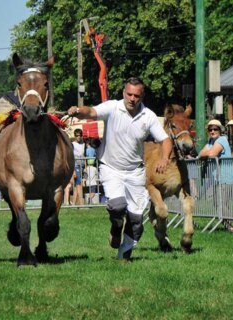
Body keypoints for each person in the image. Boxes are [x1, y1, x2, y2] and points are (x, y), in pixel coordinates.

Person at [67, 77, 172, 260]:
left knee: (136, 222)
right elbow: (91, 112)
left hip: (135, 172)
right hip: (111, 168)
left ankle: (123, 257)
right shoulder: (113, 107)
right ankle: (116, 229)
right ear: (124, 93)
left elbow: (165, 140)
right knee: (117, 206)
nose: (132, 98)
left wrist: (164, 157)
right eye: (129, 94)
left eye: (136, 95)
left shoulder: (148, 116)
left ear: (142, 96)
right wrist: (77, 110)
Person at [199, 119, 233, 232]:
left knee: (222, 203)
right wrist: (205, 153)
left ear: (220, 130)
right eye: (210, 129)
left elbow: (211, 154)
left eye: (215, 129)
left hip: (225, 176)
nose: (212, 131)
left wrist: (206, 153)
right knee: (217, 202)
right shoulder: (211, 142)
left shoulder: (222, 139)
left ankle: (231, 227)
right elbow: (201, 153)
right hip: (217, 177)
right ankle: (227, 225)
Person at [71, 129, 85, 205]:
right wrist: (73, 170)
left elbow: (84, 155)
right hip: (75, 165)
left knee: (77, 185)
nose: (78, 137)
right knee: (79, 184)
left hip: (82, 165)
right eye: (77, 136)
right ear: (75, 136)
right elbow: (71, 157)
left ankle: (73, 203)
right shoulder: (72, 144)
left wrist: (85, 167)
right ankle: (82, 203)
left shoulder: (83, 144)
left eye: (80, 135)